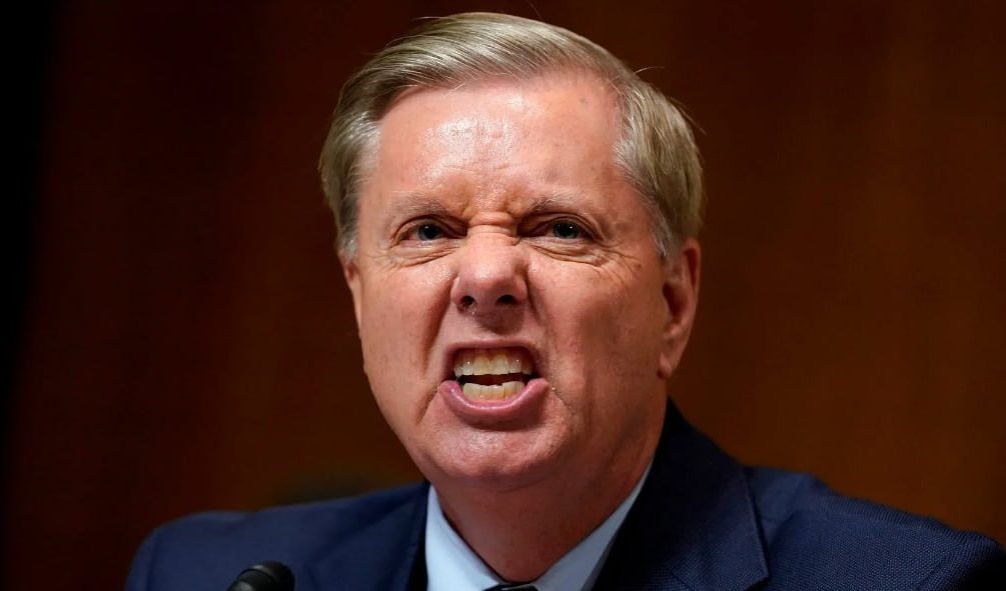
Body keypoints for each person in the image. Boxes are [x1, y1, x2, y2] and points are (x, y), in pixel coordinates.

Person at [126, 12, 1005, 590]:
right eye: (428, 231)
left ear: (673, 302)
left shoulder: (910, 582)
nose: (485, 276)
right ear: (358, 293)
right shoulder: (207, 575)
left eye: (557, 228)